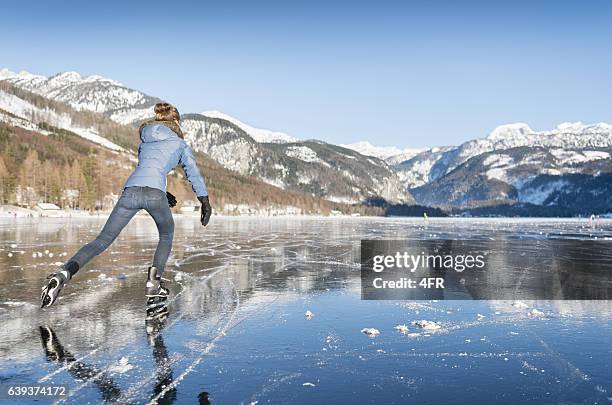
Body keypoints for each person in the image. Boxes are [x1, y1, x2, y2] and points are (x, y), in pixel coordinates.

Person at [41, 102, 212, 308]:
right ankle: (154, 284)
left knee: (102, 240)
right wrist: (204, 199)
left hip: (130, 191)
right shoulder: (180, 144)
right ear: (176, 121)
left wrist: (162, 191)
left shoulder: (146, 140)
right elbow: (191, 171)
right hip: (153, 194)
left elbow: (147, 168)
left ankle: (63, 274)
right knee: (166, 236)